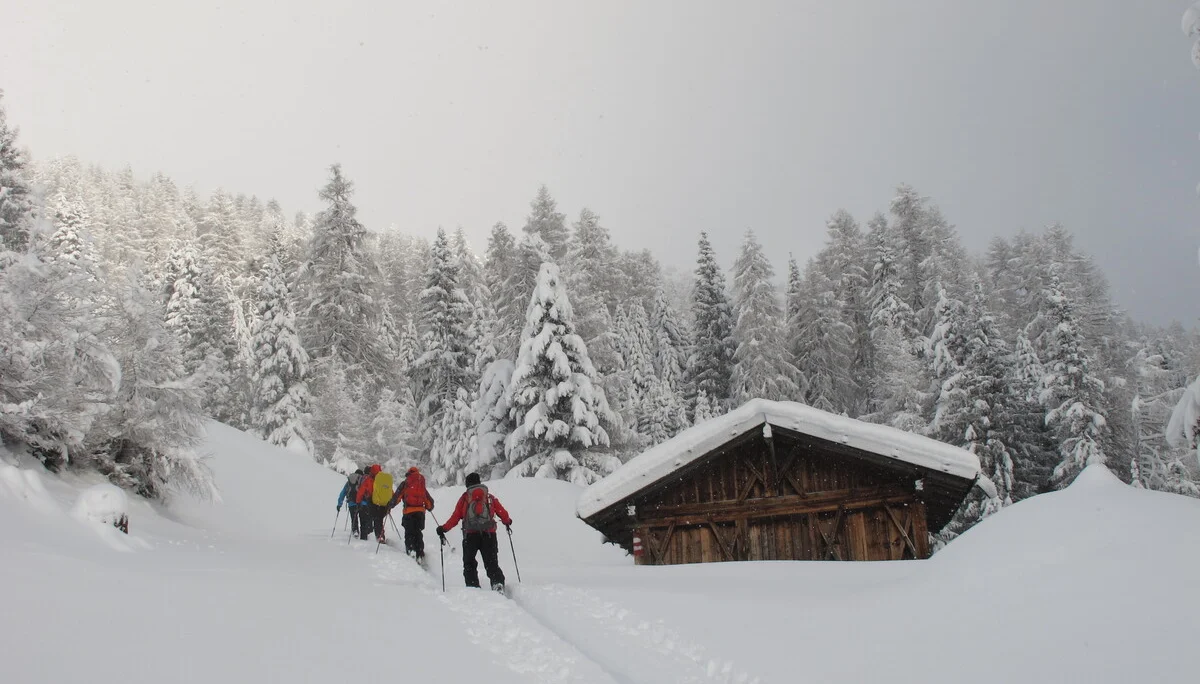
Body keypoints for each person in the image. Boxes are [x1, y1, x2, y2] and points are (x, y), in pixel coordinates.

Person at [436, 473, 512, 591]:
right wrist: (507, 521)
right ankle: (497, 583)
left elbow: (455, 517)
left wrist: (443, 528)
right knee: (491, 562)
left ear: (467, 484)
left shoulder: (465, 498)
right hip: (489, 534)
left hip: (470, 535)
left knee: (469, 563)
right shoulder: (489, 497)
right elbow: (502, 512)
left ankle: (473, 587)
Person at [387, 466, 435, 561]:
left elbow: (397, 497)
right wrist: (429, 507)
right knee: (418, 532)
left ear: (408, 474)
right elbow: (428, 500)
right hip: (420, 513)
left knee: (409, 533)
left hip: (409, 512)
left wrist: (390, 505)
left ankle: (411, 550)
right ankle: (420, 552)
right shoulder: (421, 485)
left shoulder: (405, 484)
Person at [355, 464, 386, 542]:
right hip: (382, 503)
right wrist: (390, 503)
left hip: (371, 502)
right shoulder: (383, 479)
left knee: (368, 520)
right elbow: (389, 491)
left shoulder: (368, 479)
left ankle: (366, 538)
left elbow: (361, 491)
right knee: (379, 520)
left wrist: (358, 501)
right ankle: (381, 535)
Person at [337, 468, 365, 537]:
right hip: (361, 503)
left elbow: (343, 493)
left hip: (351, 503)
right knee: (363, 519)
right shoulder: (362, 481)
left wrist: (339, 504)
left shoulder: (349, 482)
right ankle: (364, 533)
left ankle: (355, 531)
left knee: (354, 518)